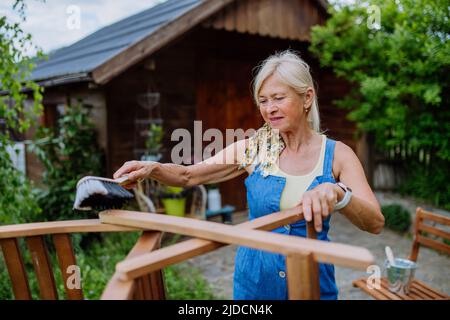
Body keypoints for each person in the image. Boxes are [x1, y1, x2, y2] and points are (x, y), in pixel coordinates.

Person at [113, 50, 385, 300]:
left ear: (307, 97)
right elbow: (188, 176)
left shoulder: (338, 154)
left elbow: (374, 223)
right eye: (263, 101)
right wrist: (153, 169)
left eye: (279, 98)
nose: (269, 109)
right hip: (255, 286)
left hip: (312, 285)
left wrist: (339, 194)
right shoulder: (253, 148)